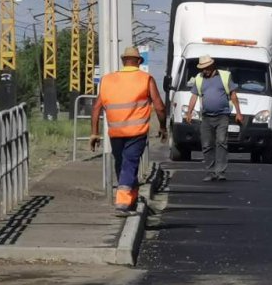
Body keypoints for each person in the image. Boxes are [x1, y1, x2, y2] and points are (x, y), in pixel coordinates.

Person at [90, 46, 166, 214]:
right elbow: (159, 107)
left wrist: (94, 133)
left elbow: (96, 108)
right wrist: (163, 127)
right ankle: (123, 203)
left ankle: (130, 199)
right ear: (139, 61)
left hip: (115, 132)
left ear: (123, 61)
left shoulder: (107, 80)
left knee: (122, 164)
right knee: (130, 164)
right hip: (136, 132)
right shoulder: (145, 79)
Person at [182, 56, 244, 181]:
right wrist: (189, 112)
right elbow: (194, 96)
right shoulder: (199, 79)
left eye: (206, 68)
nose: (204, 70)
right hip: (206, 117)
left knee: (221, 142)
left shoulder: (224, 76)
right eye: (202, 68)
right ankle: (210, 172)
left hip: (222, 116)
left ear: (212, 66)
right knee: (206, 144)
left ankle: (220, 171)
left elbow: (233, 95)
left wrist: (238, 113)